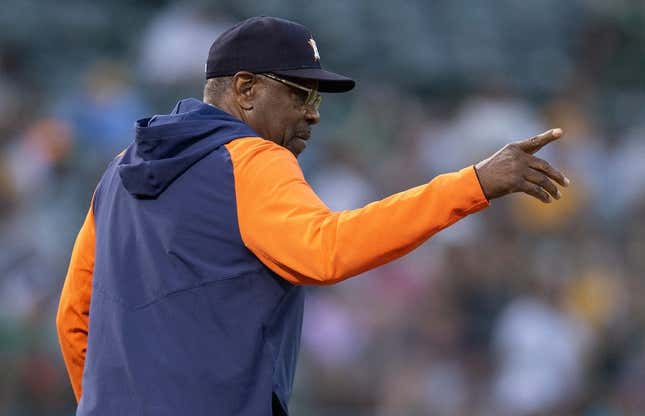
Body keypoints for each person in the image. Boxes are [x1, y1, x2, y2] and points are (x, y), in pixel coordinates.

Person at [56, 16, 569, 416]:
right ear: (246, 88)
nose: (314, 112)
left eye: (316, 96)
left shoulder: (119, 171)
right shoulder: (251, 159)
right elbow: (326, 250)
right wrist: (473, 183)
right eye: (299, 93)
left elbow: (74, 318)